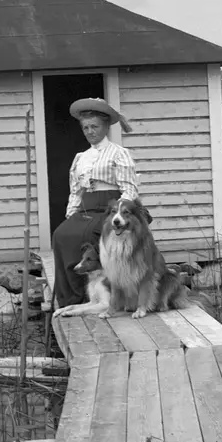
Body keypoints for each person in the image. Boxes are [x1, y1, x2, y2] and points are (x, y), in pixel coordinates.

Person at [50, 98, 142, 311]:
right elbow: (76, 190)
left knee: (86, 235)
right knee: (61, 235)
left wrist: (118, 212)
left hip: (110, 209)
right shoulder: (81, 157)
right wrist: (71, 214)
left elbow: (129, 189)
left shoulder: (119, 153)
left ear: (106, 127)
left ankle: (102, 294)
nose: (90, 131)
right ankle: (70, 298)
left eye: (94, 126)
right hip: (86, 208)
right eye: (86, 128)